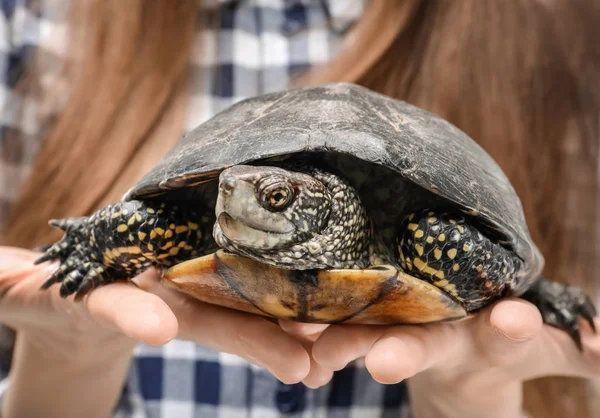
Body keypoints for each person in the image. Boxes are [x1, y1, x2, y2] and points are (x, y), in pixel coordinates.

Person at [0, 1, 598, 417]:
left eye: (274, 197)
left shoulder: (548, 40)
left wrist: (472, 389)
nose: (233, 199)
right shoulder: (37, 22)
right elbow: (142, 224)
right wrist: (64, 352)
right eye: (232, 190)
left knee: (447, 244)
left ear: (325, 208)